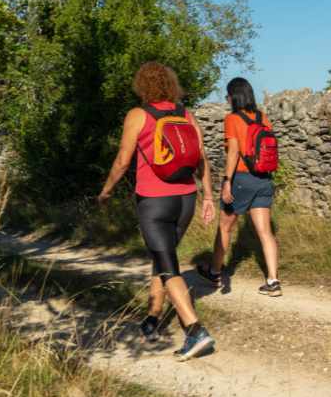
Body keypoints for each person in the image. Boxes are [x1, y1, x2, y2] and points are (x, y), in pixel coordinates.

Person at [97, 61, 217, 361]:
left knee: (167, 265)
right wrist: (208, 197)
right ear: (171, 84)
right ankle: (153, 315)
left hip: (154, 200)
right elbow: (202, 159)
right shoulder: (186, 114)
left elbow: (123, 160)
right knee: (162, 254)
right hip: (186, 198)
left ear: (141, 85)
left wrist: (107, 190)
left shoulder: (138, 115)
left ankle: (194, 330)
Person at [197, 77, 282, 296]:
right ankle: (273, 281)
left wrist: (226, 182)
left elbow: (233, 152)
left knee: (225, 226)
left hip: (242, 179)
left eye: (227, 95)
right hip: (264, 178)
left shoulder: (232, 119)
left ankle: (215, 272)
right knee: (265, 231)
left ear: (233, 96)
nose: (226, 99)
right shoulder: (263, 117)